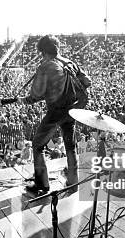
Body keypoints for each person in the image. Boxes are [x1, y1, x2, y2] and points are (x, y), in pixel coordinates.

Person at [16, 35, 91, 194]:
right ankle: (73, 182)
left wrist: (22, 100)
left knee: (37, 145)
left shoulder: (47, 66)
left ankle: (42, 185)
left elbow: (35, 94)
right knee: (70, 146)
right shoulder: (69, 62)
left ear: (42, 51)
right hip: (72, 110)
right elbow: (87, 81)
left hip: (56, 111)